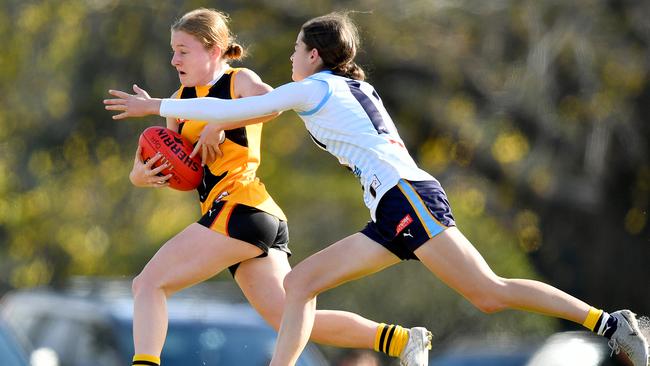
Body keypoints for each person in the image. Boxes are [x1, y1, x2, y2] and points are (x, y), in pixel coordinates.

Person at [104, 12, 650, 366]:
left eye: (297, 49)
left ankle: (609, 322)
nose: (291, 57)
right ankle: (391, 342)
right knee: (300, 286)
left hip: (407, 197)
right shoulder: (341, 84)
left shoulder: (313, 88)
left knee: (487, 292)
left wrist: (155, 106)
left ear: (314, 56)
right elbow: (236, 110)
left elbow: (244, 106)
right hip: (392, 206)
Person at [112, 8, 430, 366]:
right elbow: (186, 172)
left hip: (241, 207)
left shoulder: (238, 81)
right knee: (285, 318)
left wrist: (221, 119)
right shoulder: (179, 101)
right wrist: (141, 175)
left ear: (213, 50)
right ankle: (400, 339)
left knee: (148, 284)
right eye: (173, 50)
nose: (174, 59)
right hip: (246, 216)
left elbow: (273, 106)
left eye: (183, 50)